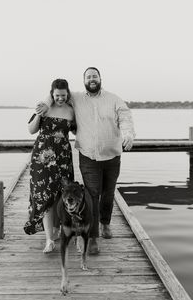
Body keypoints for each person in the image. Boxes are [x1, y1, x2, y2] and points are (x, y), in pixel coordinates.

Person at [38, 67, 135, 254]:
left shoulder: (114, 99)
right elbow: (58, 93)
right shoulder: (77, 98)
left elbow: (125, 117)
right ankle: (93, 237)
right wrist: (45, 102)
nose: (92, 79)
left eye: (94, 76)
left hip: (112, 156)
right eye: (88, 76)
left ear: (100, 78)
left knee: (108, 193)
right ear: (84, 80)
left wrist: (129, 135)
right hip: (88, 156)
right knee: (92, 195)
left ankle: (105, 222)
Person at [23, 79, 76, 253]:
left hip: (63, 158)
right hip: (42, 159)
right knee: (44, 196)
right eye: (57, 95)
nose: (60, 98)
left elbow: (76, 130)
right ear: (51, 94)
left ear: (67, 94)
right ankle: (49, 240)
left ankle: (60, 230)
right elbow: (31, 130)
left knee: (63, 195)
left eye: (63, 95)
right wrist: (40, 113)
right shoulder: (44, 108)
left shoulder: (71, 111)